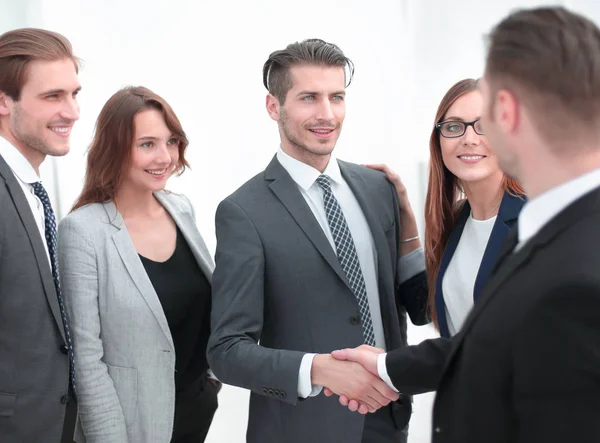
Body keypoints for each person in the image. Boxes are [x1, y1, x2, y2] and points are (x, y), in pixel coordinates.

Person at [332, 6, 600, 442]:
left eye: (485, 117)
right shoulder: (477, 224)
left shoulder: (558, 246)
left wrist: (383, 368)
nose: (473, 136)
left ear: (507, 113)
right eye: (455, 127)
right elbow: (456, 324)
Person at [207, 38, 428, 443]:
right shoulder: (243, 211)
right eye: (309, 98)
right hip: (303, 429)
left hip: (388, 420)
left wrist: (413, 230)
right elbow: (226, 352)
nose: (327, 114)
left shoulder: (379, 189)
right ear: (274, 106)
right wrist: (319, 369)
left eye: (336, 97)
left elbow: (409, 306)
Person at [58, 86, 218, 443]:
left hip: (196, 410)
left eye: (171, 141)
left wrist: (210, 383)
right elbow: (87, 361)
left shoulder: (181, 209)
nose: (165, 157)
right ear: (114, 149)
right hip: (132, 425)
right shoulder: (82, 232)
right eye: (147, 144)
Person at [370, 78, 525, 338]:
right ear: (439, 142)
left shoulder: (542, 219)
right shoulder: (455, 220)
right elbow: (424, 309)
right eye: (454, 127)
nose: (469, 139)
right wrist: (405, 212)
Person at [0, 28, 80, 443]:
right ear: (3, 101)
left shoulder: (34, 190)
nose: (72, 112)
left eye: (73, 94)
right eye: (52, 96)